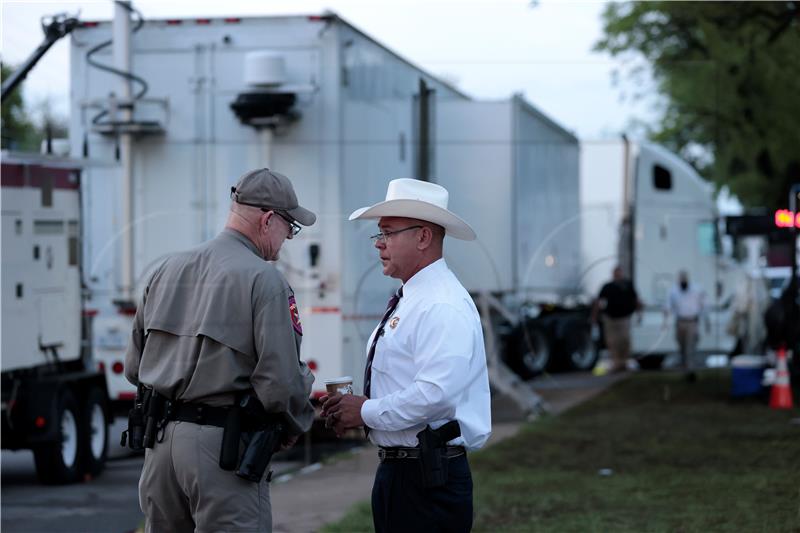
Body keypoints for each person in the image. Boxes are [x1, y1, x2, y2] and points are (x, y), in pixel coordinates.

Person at [124, 168, 316, 533]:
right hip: (222, 450)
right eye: (290, 227)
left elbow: (134, 367)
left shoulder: (166, 269)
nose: (288, 238)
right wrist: (294, 420)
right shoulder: (265, 280)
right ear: (268, 219)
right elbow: (280, 383)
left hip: (160, 447)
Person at [321, 178, 491, 533]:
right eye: (378, 235)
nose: (379, 244)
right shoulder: (415, 297)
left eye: (388, 233)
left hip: (427, 479)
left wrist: (365, 410)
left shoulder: (441, 303)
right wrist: (362, 413)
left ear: (423, 237)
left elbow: (435, 394)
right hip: (407, 473)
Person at [591, 265, 642, 372]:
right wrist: (594, 316)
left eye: (619, 272)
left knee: (624, 340)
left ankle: (624, 362)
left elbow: (636, 299)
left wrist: (639, 313)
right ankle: (616, 363)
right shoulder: (607, 286)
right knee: (612, 342)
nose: (617, 274)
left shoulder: (628, 285)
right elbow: (599, 302)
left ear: (621, 273)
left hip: (624, 318)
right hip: (610, 318)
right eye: (615, 272)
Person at [663, 269, 709, 378]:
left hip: (692, 322)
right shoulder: (673, 291)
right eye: (681, 279)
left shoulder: (696, 289)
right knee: (682, 346)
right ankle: (685, 368)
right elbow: (668, 306)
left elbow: (705, 304)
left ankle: (691, 370)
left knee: (690, 346)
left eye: (684, 279)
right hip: (680, 322)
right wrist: (665, 321)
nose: (683, 281)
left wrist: (706, 320)